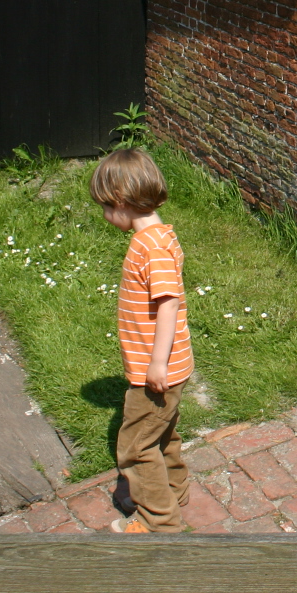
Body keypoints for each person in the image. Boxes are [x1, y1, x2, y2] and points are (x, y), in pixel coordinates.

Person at [90, 148, 193, 533]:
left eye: (105, 207)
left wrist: (156, 364)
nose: (104, 215)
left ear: (120, 201)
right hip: (169, 366)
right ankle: (173, 491)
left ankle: (158, 522)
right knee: (163, 433)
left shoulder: (151, 248)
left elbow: (169, 304)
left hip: (158, 370)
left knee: (135, 447)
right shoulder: (159, 237)